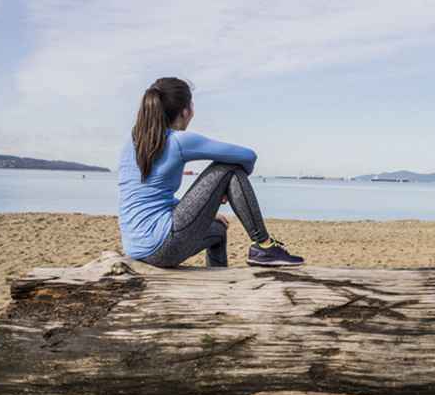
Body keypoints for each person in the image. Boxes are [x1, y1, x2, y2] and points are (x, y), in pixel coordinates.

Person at [117, 77, 304, 268]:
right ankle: (264, 245)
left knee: (218, 230)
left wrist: (217, 198)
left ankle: (218, 279)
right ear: (186, 111)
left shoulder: (133, 142)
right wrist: (231, 184)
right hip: (161, 245)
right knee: (229, 167)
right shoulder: (179, 141)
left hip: (135, 247)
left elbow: (148, 197)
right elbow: (248, 156)